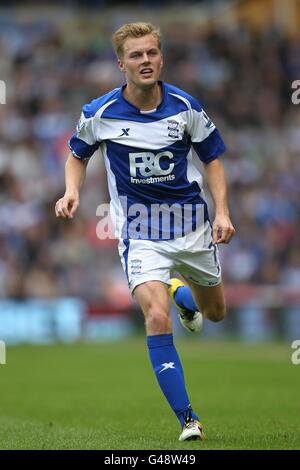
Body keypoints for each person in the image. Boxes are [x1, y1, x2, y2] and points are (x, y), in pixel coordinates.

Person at [55, 22, 235, 442]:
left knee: (216, 314)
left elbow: (213, 160)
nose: (145, 61)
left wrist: (223, 212)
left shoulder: (185, 107)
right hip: (140, 231)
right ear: (121, 64)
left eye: (151, 53)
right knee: (156, 317)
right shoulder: (99, 113)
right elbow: (76, 155)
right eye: (136, 55)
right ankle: (188, 419)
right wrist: (71, 191)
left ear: (161, 57)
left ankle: (181, 291)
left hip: (192, 227)